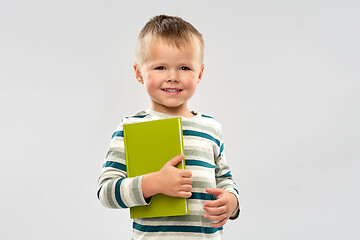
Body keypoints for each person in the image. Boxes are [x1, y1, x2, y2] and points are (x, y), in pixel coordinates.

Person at [97, 15, 240, 239]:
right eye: (161, 67)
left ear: (200, 73)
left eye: (184, 67)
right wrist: (152, 184)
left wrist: (232, 202)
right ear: (138, 73)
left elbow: (224, 178)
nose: (172, 77)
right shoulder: (130, 128)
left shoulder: (211, 128)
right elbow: (106, 191)